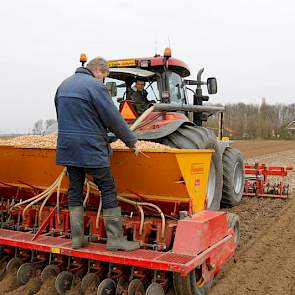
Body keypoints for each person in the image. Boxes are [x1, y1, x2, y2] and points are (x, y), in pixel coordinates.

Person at [55, 57, 140, 251]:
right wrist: (132, 141)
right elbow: (113, 118)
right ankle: (115, 239)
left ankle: (77, 238)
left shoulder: (63, 85)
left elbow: (63, 117)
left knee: (75, 189)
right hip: (91, 149)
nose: (103, 80)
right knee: (107, 187)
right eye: (104, 77)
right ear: (100, 71)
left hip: (68, 148)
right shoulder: (95, 86)